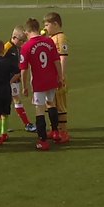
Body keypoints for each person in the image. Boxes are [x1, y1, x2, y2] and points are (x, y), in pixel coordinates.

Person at [19, 19, 62, 151]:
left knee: (40, 109)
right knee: (51, 103)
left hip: (39, 82)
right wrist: (60, 77)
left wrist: (24, 86)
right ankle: (55, 132)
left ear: (27, 32)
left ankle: (42, 140)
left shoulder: (26, 47)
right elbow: (57, 61)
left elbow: (24, 69)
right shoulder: (49, 41)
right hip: (51, 79)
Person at [43, 11, 70, 143]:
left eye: (47, 25)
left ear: (55, 24)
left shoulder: (60, 38)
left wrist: (62, 76)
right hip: (51, 77)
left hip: (57, 78)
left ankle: (63, 132)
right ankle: (54, 129)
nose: (45, 28)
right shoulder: (52, 37)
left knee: (60, 105)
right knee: (51, 104)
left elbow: (63, 57)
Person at [3, 26, 36, 132]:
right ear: (14, 37)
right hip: (9, 79)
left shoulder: (18, 47)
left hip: (15, 79)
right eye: (21, 41)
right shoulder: (7, 47)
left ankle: (4, 127)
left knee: (10, 101)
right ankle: (27, 124)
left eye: (24, 41)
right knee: (15, 100)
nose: (23, 43)